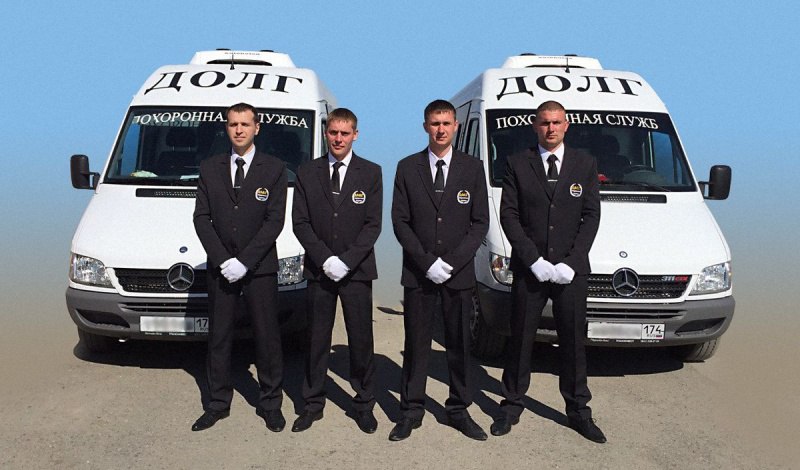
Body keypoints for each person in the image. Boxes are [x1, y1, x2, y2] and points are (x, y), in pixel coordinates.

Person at [491, 100, 605, 443]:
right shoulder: (517, 163)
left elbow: (591, 215)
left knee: (573, 343)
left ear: (566, 125)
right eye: (544, 122)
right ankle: (511, 405)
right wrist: (533, 259)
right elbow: (509, 215)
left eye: (556, 122)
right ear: (535, 125)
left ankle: (578, 411)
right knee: (520, 340)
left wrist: (572, 261)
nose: (551, 128)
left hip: (571, 271)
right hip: (531, 270)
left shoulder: (585, 163)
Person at [390, 99, 489, 441]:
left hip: (457, 275)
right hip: (419, 274)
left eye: (446, 123)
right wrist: (426, 262)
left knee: (459, 345)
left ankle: (458, 409)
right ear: (425, 127)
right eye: (435, 123)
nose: (441, 130)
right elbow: (400, 221)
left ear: (456, 126)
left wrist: (452, 262)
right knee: (416, 344)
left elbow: (479, 222)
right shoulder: (407, 167)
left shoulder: (472, 168)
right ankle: (410, 410)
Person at [191, 102, 288, 433]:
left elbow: (274, 220)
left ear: (256, 128)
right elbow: (201, 218)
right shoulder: (209, 168)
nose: (239, 130)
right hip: (221, 268)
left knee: (267, 337)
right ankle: (218, 403)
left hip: (259, 268)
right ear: (226, 128)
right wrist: (223, 260)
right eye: (233, 124)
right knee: (219, 337)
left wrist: (245, 262)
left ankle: (270, 403)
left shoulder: (274, 168)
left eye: (245, 124)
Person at [291, 108, 382, 434]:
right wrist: (325, 259)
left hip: (356, 271)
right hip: (320, 271)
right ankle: (312, 404)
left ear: (355, 134)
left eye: (345, 133)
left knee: (361, 340)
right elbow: (300, 222)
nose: (339, 139)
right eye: (333, 132)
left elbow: (373, 224)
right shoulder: (307, 172)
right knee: (316, 339)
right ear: (326, 133)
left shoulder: (371, 172)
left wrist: (346, 261)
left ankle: (364, 405)